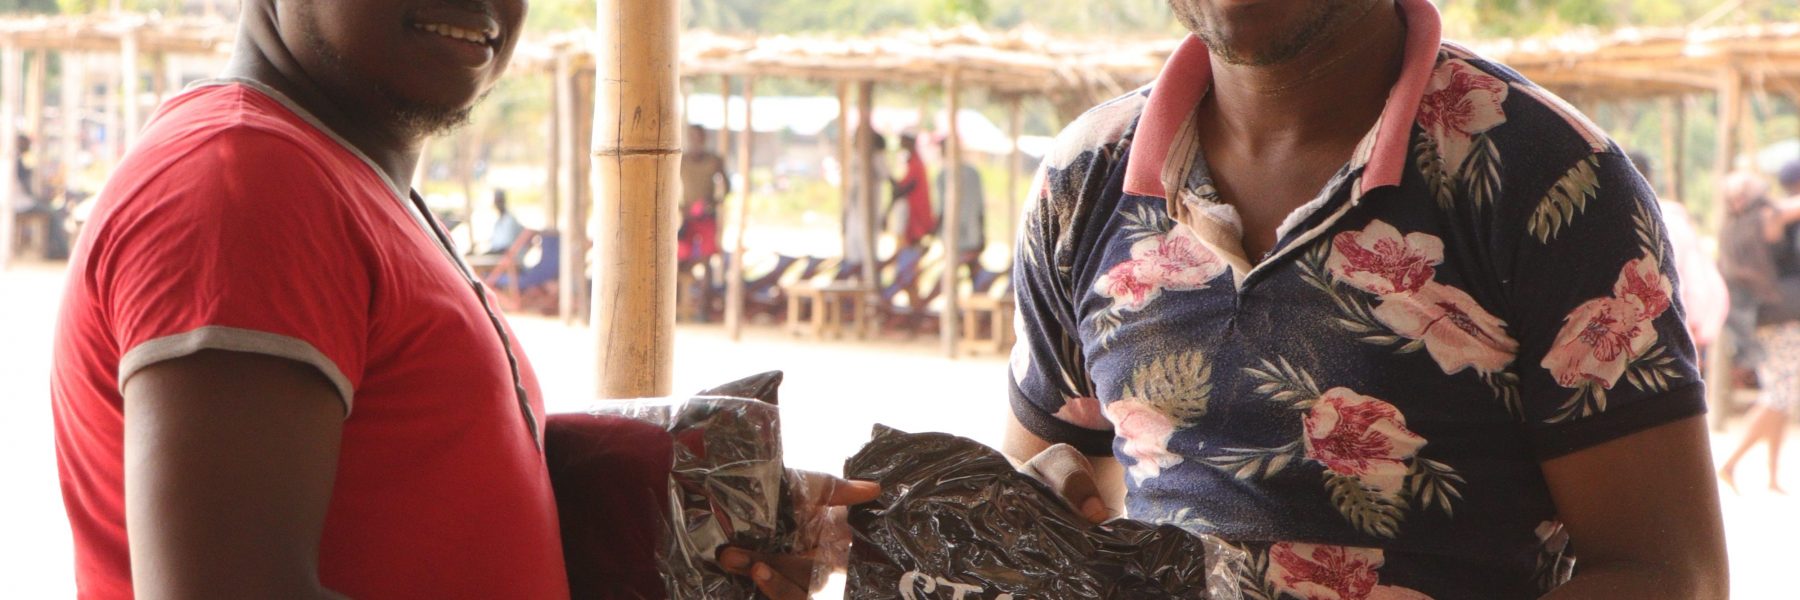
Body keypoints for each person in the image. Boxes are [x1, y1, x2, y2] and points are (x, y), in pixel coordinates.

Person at [1005, 0, 1727, 597]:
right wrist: (998, 515)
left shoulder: (1547, 177)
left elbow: (1668, 575)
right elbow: (1048, 481)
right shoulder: (1086, 177)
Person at [1717, 165, 1800, 494]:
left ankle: (1772, 477)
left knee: (1782, 394)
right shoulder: (1765, 218)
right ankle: (1731, 463)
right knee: (1778, 396)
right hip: (1783, 319)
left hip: (1764, 318)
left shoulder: (1735, 229)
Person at [1628, 150, 1728, 356]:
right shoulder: (1671, 220)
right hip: (1677, 337)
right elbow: (1699, 280)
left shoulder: (1664, 221)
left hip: (1664, 338)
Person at [679, 124, 729, 320]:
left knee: (707, 262)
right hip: (687, 219)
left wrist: (712, 203)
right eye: (692, 136)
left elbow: (726, 188)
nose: (696, 140)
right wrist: (680, 207)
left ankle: (703, 309)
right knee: (680, 259)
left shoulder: (714, 161)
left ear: (704, 138)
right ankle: (680, 305)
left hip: (707, 218)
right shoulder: (681, 161)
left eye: (698, 136)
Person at [935, 135, 987, 280]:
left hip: (954, 234)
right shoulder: (973, 173)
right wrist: (982, 233)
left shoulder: (943, 175)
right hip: (972, 233)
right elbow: (980, 207)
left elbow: (942, 210)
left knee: (950, 275)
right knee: (973, 273)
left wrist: (934, 232)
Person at [844, 130, 889, 267]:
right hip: (854, 209)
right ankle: (856, 273)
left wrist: (887, 211)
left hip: (870, 209)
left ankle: (867, 273)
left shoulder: (876, 157)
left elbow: (889, 179)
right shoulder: (854, 156)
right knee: (853, 244)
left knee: (867, 245)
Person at [888, 132, 935, 249]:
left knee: (908, 241)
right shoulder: (913, 161)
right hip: (911, 209)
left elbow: (906, 187)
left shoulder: (916, 163)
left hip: (914, 209)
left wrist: (889, 207)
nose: (901, 144)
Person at [484, 188, 523, 255]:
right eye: (496, 201)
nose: (497, 204)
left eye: (499, 201)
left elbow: (505, 246)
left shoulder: (510, 220)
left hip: (505, 255)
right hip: (496, 253)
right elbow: (494, 243)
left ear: (503, 201)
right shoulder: (498, 222)